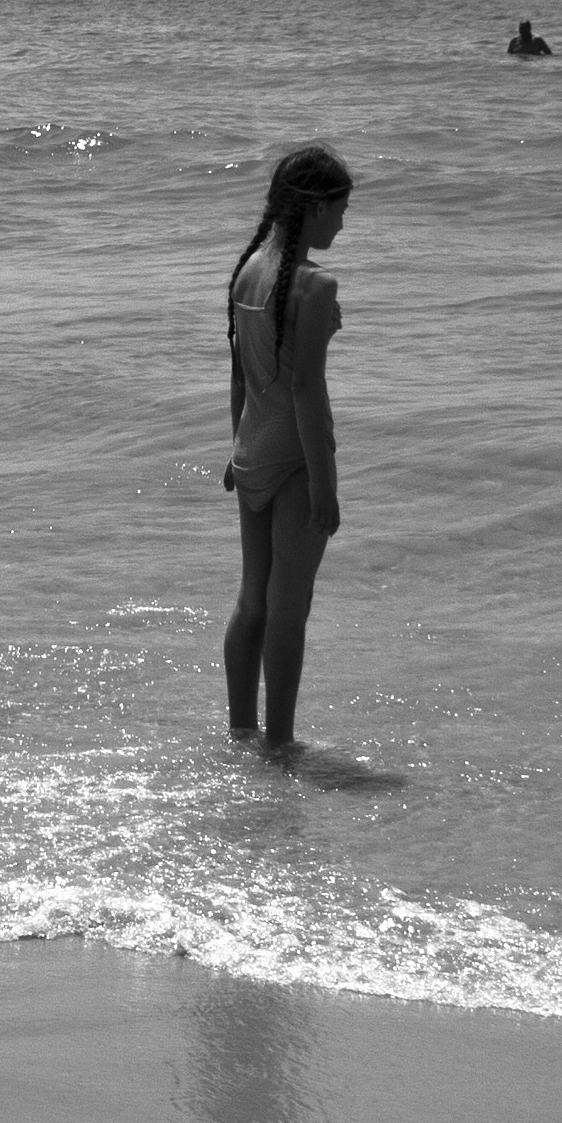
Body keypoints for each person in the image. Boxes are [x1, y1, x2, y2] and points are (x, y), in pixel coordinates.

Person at [222, 145, 353, 748]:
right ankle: (280, 744)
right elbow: (306, 389)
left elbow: (240, 376)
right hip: (297, 460)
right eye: (341, 210)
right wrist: (325, 485)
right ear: (316, 207)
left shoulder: (249, 267)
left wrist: (236, 446)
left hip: (251, 454)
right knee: (288, 609)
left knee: (253, 601)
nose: (344, 224)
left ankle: (241, 731)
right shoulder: (314, 285)